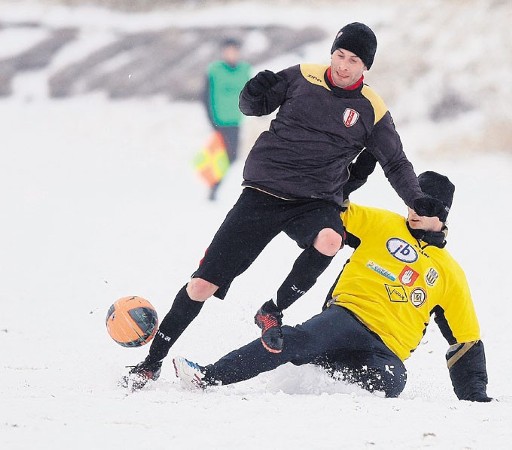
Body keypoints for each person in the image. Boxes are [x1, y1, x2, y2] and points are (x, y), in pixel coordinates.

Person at [122, 22, 448, 390]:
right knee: (201, 285)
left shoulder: (372, 109)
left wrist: (416, 199)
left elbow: (396, 163)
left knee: (330, 239)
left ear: (365, 67)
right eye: (339, 55)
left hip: (314, 201)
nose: (343, 65)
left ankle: (272, 309)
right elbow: (251, 106)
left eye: (353, 60)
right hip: (263, 192)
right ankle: (151, 363)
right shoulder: (301, 77)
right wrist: (251, 93)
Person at [172, 166, 492, 401]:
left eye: (426, 206)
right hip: (345, 319)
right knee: (294, 340)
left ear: (443, 213)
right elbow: (333, 208)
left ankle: (319, 371)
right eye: (411, 201)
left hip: (386, 349)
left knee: (393, 383)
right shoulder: (381, 223)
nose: (414, 211)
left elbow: (465, 338)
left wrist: (474, 397)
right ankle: (209, 376)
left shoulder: (450, 273)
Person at [202, 37, 252, 200]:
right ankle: (213, 185)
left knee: (232, 155)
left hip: (236, 120)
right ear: (223, 52)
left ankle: (213, 181)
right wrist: (211, 120)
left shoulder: (245, 70)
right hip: (219, 120)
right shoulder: (214, 70)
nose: (231, 54)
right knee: (227, 154)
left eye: (234, 50)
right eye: (228, 50)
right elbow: (205, 96)